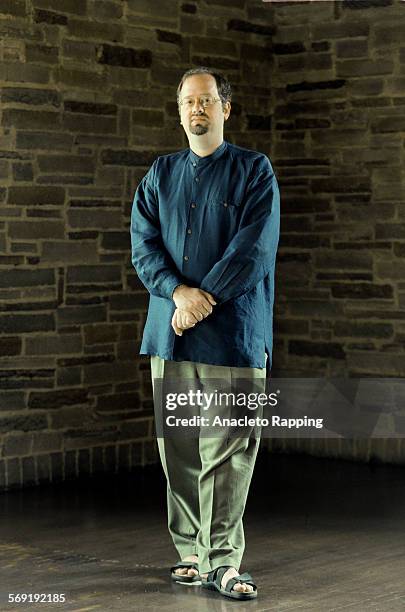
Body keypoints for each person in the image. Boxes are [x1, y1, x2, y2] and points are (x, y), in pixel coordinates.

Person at [130, 66, 280, 601]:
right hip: (169, 334)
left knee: (230, 450)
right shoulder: (159, 175)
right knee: (181, 449)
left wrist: (201, 301)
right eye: (188, 102)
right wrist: (177, 293)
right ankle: (190, 554)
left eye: (208, 101)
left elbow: (253, 249)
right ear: (179, 110)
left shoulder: (255, 171)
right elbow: (143, 245)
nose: (198, 109)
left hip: (233, 335)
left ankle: (224, 562)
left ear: (225, 109)